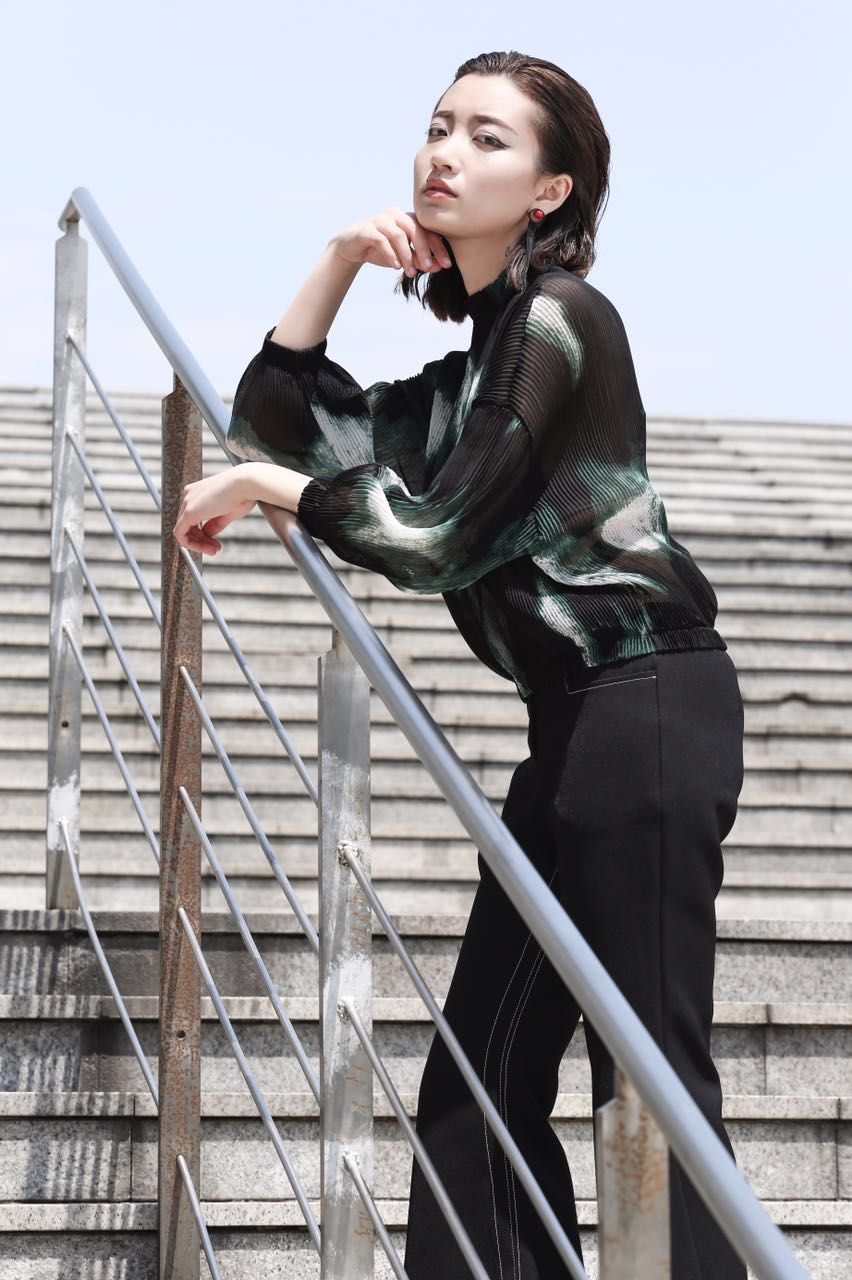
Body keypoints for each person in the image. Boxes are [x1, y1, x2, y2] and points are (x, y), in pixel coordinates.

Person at [173, 48, 747, 1280]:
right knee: (478, 1079)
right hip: (577, 721)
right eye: (439, 126)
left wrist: (268, 485)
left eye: (489, 137)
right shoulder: (474, 368)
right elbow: (283, 421)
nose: (445, 152)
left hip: (648, 701)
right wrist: (339, 257)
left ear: (548, 191)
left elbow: (438, 537)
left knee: (649, 1072)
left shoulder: (560, 322)